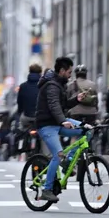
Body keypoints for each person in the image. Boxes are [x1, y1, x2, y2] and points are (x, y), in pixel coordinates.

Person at [35, 56, 85, 204]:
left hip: (59, 122)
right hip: (46, 125)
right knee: (57, 155)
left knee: (86, 130)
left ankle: (68, 162)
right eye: (69, 72)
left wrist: (77, 99)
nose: (71, 75)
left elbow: (63, 106)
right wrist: (63, 121)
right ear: (62, 71)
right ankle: (47, 190)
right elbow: (54, 106)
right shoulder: (52, 85)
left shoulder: (60, 84)